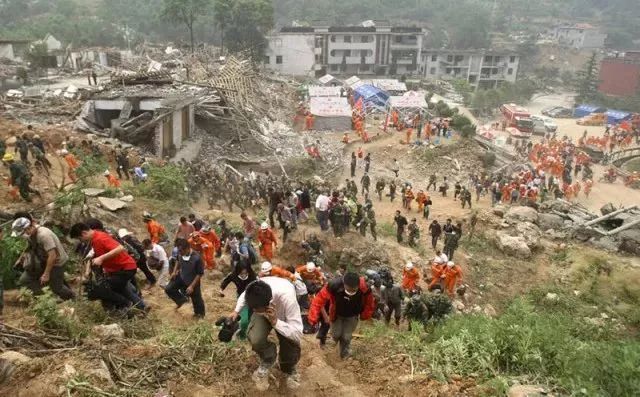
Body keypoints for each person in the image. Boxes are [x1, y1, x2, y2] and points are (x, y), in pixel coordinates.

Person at [230, 278, 303, 391]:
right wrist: (236, 311)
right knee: (255, 337)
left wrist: (276, 322)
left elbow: (297, 333)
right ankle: (268, 359)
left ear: (268, 303)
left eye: (257, 310)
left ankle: (288, 368)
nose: (254, 311)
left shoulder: (288, 299)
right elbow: (244, 295)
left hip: (283, 316)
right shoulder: (254, 289)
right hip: (265, 308)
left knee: (290, 343)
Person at [70, 222, 143, 312]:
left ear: (84, 233)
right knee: (123, 289)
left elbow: (120, 248)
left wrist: (101, 258)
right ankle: (141, 307)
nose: (81, 241)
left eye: (80, 238)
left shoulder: (100, 238)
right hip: (119, 269)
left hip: (125, 268)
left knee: (100, 289)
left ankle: (126, 304)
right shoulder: (95, 238)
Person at [308, 272, 375, 359]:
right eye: (348, 289)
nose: (351, 292)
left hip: (352, 315)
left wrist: (365, 315)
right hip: (337, 313)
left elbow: (369, 303)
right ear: (344, 284)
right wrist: (313, 317)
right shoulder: (334, 285)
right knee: (336, 334)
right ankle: (332, 348)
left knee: (346, 337)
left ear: (358, 286)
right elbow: (318, 300)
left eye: (353, 290)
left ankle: (344, 353)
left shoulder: (364, 288)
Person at [11, 218, 75, 300]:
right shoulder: (30, 234)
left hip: (56, 262)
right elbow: (30, 246)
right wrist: (20, 258)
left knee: (57, 288)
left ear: (28, 228)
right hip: (42, 261)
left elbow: (53, 255)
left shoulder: (44, 235)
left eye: (22, 233)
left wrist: (46, 274)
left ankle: (72, 298)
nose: (22, 235)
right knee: (24, 280)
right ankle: (46, 299)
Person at [165, 238, 205, 318]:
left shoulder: (197, 258)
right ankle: (182, 301)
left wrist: (191, 286)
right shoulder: (180, 253)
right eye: (179, 251)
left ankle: (200, 315)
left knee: (196, 299)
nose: (179, 253)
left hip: (192, 280)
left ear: (187, 249)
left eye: (181, 251)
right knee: (169, 289)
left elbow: (199, 274)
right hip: (182, 276)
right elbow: (178, 260)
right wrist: (174, 271)